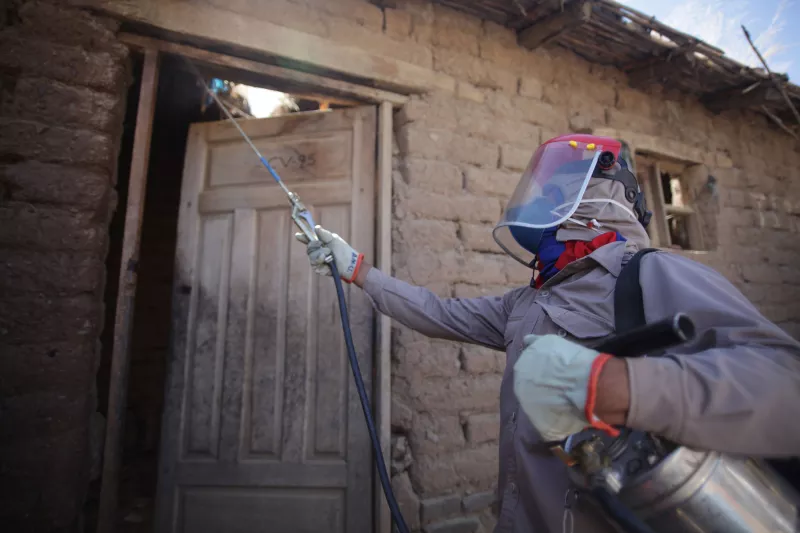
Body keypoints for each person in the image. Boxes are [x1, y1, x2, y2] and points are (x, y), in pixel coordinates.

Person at [297, 134, 800, 532]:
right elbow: (440, 313)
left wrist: (624, 387)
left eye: (558, 193)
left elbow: (785, 379)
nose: (543, 203)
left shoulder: (650, 274)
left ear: (602, 199)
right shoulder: (531, 298)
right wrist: (357, 269)